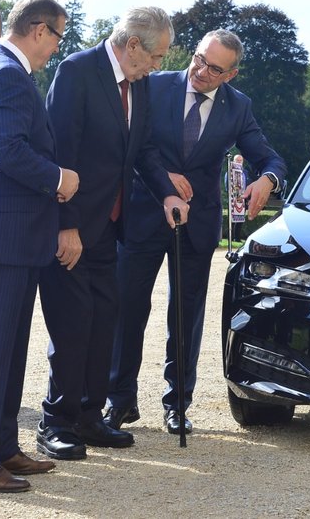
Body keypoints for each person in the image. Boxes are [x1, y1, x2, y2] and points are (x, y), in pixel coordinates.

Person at [106, 29, 286, 435]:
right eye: (199, 59)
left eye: (214, 68)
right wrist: (164, 180)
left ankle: (177, 405)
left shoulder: (238, 108)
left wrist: (267, 180)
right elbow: (133, 146)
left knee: (185, 317)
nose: (201, 71)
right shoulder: (152, 85)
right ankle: (118, 401)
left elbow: (268, 156)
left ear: (231, 75)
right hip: (144, 213)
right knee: (127, 309)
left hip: (198, 225)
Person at [36, 7, 189, 460]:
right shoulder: (77, 72)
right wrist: (66, 226)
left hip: (109, 228)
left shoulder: (137, 85)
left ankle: (88, 416)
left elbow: (141, 148)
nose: (160, 66)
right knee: (71, 324)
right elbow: (57, 151)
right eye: (157, 55)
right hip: (72, 225)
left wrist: (166, 194)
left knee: (105, 321)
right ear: (133, 45)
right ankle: (55, 422)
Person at [0, 0, 79, 493]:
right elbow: (7, 153)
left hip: (11, 234)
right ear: (41, 29)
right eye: (58, 37)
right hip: (2, 233)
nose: (55, 48)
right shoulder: (6, 72)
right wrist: (60, 180)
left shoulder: (0, 67)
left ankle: (1, 446)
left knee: (6, 347)